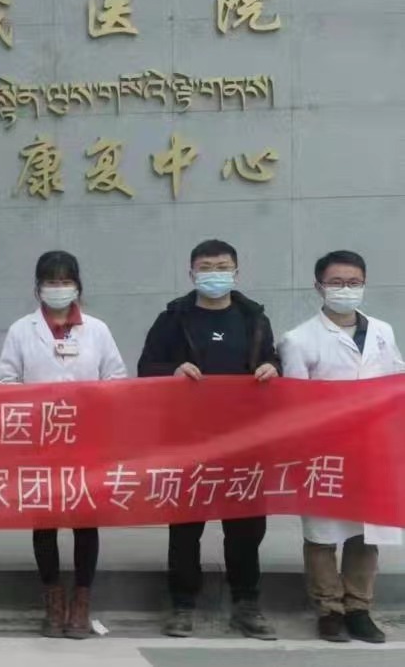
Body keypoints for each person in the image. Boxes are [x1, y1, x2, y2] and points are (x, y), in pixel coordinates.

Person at [138, 239, 280, 640]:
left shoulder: (254, 318)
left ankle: (246, 605)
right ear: (191, 273)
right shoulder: (173, 319)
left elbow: (272, 359)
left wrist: (272, 367)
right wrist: (172, 370)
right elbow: (146, 367)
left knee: (246, 527)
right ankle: (183, 605)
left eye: (222, 267)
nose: (214, 274)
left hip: (245, 440)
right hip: (188, 440)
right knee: (185, 527)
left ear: (236, 272)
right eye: (206, 267)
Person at [0, 250, 126, 639]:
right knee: (45, 522)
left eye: (65, 281)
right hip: (41, 440)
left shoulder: (97, 330)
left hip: (87, 439)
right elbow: (6, 383)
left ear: (77, 286)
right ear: (38, 288)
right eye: (51, 282)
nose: (58, 288)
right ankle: (53, 601)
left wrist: (90, 401)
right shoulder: (21, 330)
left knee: (85, 521)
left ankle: (81, 603)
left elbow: (116, 379)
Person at [279, 250, 402, 644]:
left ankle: (359, 607)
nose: (345, 289)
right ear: (319, 287)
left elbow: (395, 379)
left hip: (373, 448)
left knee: (366, 531)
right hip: (324, 450)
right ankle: (329, 609)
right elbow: (294, 402)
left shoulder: (382, 330)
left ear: (364, 284)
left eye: (353, 282)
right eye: (336, 283)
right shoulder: (297, 339)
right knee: (322, 533)